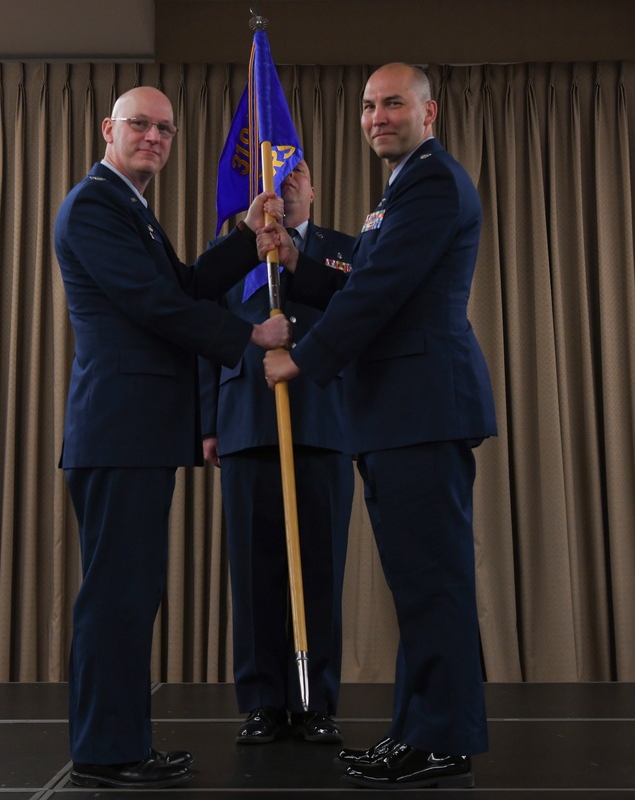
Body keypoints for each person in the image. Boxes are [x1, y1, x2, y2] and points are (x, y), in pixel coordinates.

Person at [259, 63, 497, 790]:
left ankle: (439, 739)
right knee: (418, 581)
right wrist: (299, 256)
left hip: (420, 406)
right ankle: (418, 730)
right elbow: (364, 270)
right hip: (400, 411)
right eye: (367, 105)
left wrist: (303, 356)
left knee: (432, 582)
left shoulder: (430, 180)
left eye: (393, 102)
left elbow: (384, 290)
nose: (376, 117)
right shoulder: (401, 188)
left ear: (430, 112)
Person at [54, 86, 290, 790]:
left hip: (137, 434)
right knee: (118, 596)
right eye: (140, 125)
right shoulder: (95, 204)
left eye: (165, 128)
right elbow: (152, 304)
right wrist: (249, 333)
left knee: (132, 593)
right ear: (108, 129)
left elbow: (184, 284)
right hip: (118, 431)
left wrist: (246, 237)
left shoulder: (130, 207)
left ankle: (120, 743)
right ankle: (105, 751)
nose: (154, 137)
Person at [199, 158, 355, 746]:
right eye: (275, 176)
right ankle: (262, 700)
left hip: (323, 420)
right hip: (243, 421)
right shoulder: (230, 250)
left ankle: (315, 701)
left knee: (320, 570)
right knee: (255, 570)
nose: (285, 185)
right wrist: (208, 422)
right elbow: (202, 336)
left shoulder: (345, 250)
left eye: (296, 175)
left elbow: (359, 318)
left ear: (314, 187)